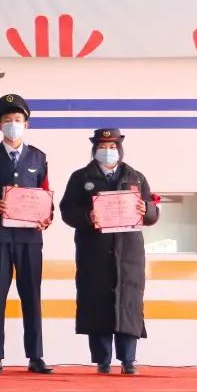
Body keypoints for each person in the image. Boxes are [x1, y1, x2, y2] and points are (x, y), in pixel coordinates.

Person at [0, 94, 54, 374]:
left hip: (30, 238)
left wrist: (47, 217)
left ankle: (36, 356)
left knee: (32, 296)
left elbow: (45, 195)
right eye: (7, 120)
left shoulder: (38, 157)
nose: (13, 124)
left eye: (17, 119)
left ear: (26, 124)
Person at [60, 128, 160, 375]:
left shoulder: (136, 177)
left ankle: (128, 360)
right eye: (102, 147)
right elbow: (67, 210)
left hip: (129, 252)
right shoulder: (81, 177)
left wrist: (146, 209)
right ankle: (102, 361)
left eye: (112, 147)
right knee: (97, 300)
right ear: (95, 149)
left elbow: (153, 214)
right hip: (94, 250)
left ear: (120, 149)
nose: (107, 151)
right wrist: (88, 216)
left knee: (129, 300)